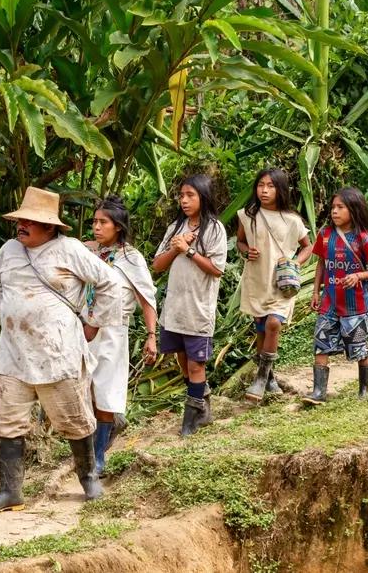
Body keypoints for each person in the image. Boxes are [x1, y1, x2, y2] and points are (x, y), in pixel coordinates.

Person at [0, 187, 122, 512]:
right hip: (13, 354)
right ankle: (9, 490)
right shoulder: (9, 251)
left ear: (50, 227)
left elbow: (109, 283)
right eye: (21, 220)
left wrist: (94, 322)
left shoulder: (69, 250)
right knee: (8, 422)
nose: (22, 225)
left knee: (74, 420)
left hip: (58, 354)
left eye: (31, 221)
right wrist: (5, 311)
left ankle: (88, 480)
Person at [84, 195, 158, 475]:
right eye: (94, 221)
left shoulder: (131, 258)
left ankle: (98, 456)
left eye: (103, 222)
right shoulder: (89, 252)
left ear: (118, 226)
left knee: (105, 391)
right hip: (86, 329)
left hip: (113, 332)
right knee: (88, 389)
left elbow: (146, 298)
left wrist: (151, 336)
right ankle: (94, 444)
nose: (96, 227)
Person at [151, 174, 227, 437]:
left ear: (203, 197)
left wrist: (190, 251)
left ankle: (190, 421)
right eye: (181, 195)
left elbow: (217, 269)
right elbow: (157, 265)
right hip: (174, 309)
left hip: (198, 310)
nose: (184, 200)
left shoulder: (215, 229)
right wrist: (176, 247)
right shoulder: (175, 227)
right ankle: (202, 403)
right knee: (183, 360)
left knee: (196, 365)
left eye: (190, 195)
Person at [235, 168, 312, 402]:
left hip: (282, 281)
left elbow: (308, 246)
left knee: (273, 323)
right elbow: (239, 242)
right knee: (260, 326)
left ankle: (259, 378)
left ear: (280, 189)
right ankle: (269, 378)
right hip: (257, 279)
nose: (264, 190)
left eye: (270, 186)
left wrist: (294, 262)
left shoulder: (292, 220)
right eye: (260, 185)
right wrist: (247, 251)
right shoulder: (247, 216)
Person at [303, 188, 368, 405]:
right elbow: (321, 263)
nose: (334, 212)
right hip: (329, 301)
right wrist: (315, 292)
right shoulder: (325, 235)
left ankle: (365, 389)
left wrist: (358, 275)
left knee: (359, 346)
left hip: (355, 304)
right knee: (321, 342)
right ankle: (319, 392)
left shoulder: (363, 238)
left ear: (353, 209)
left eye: (341, 207)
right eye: (333, 208)